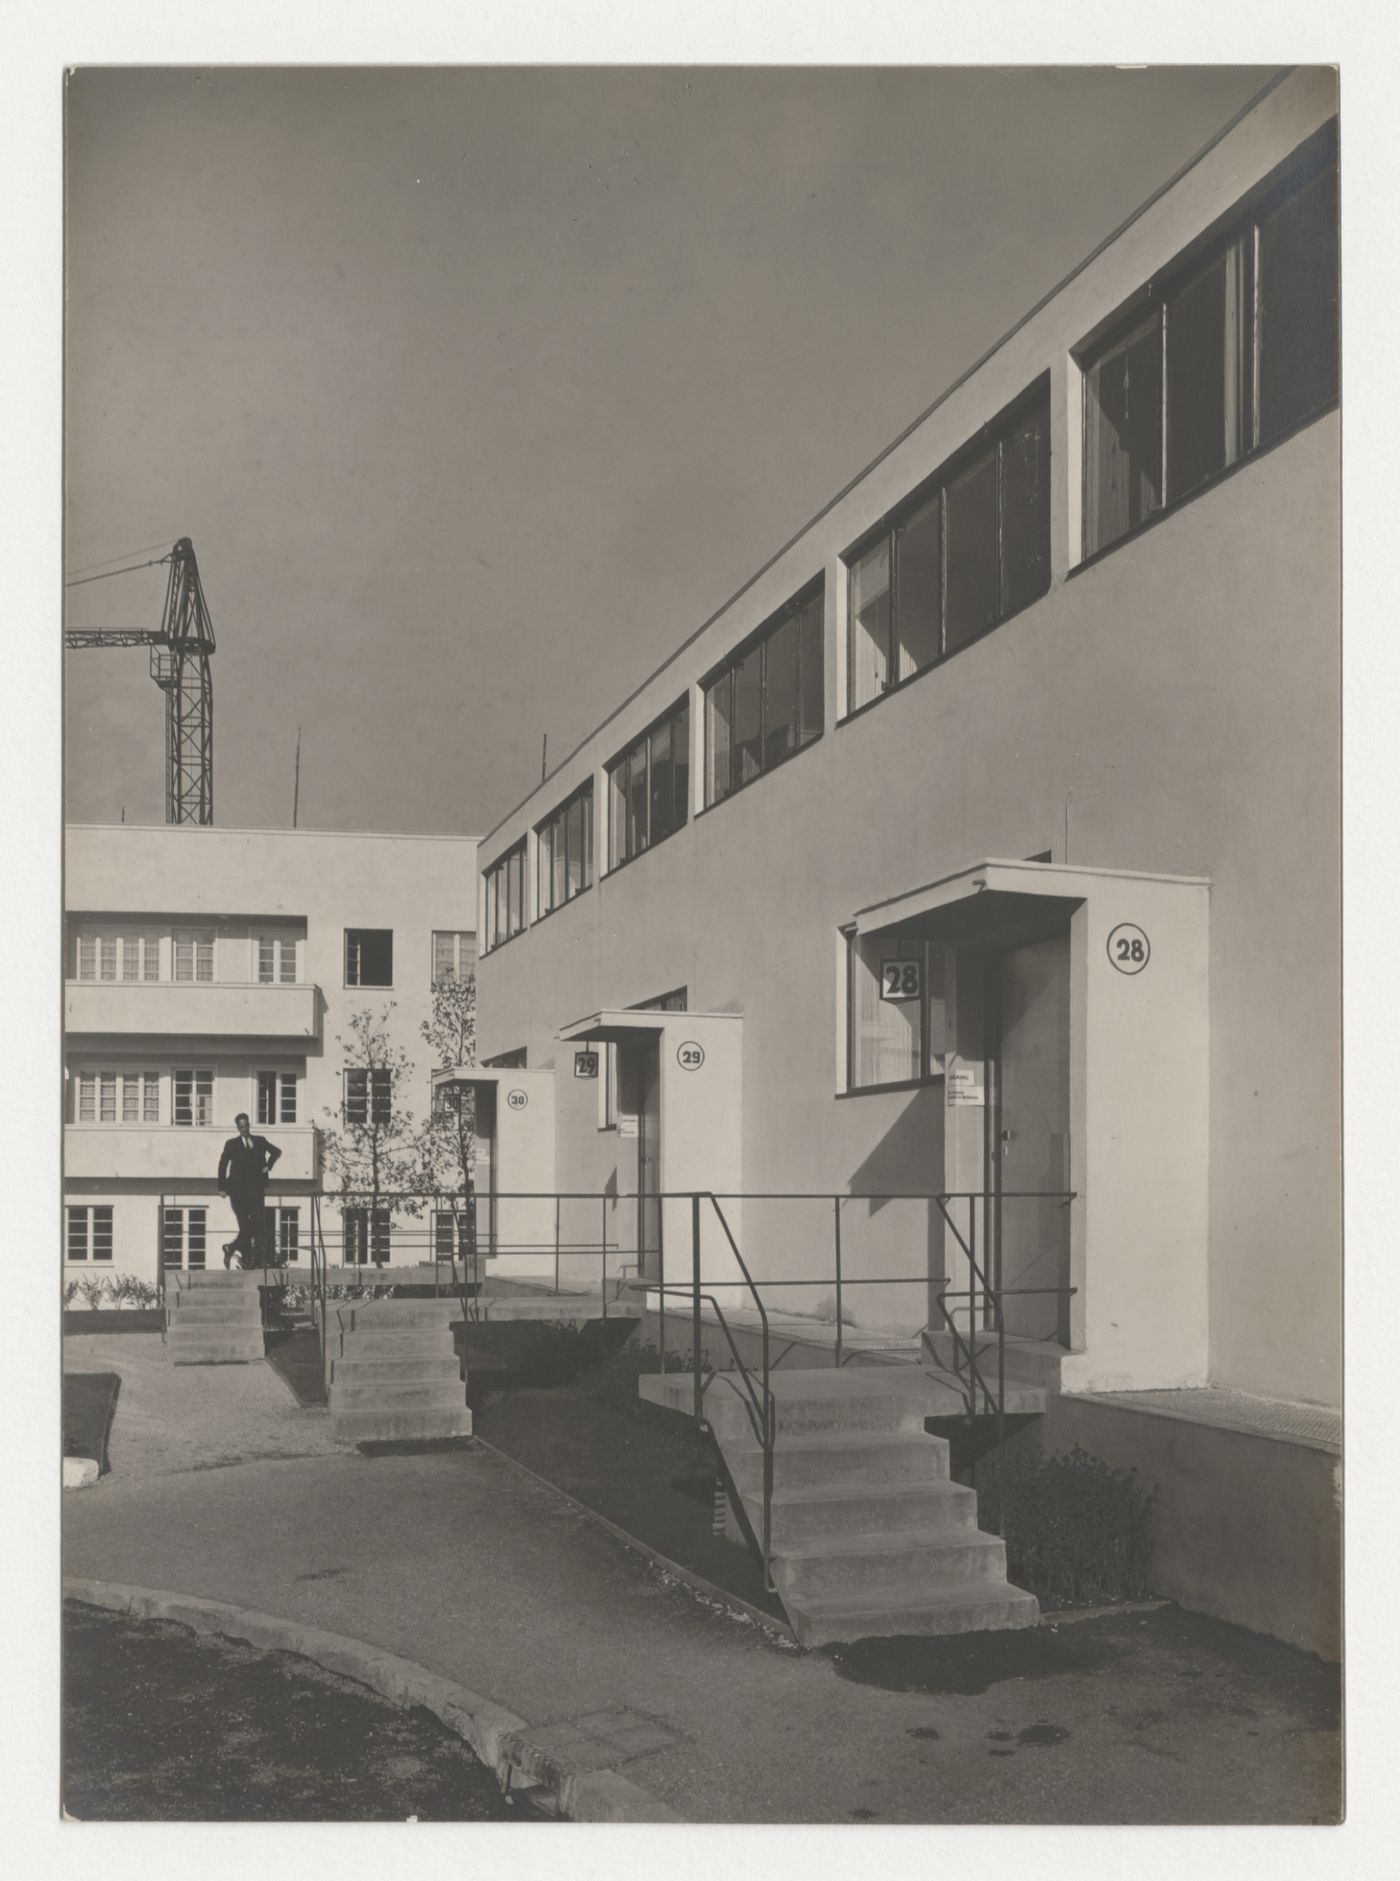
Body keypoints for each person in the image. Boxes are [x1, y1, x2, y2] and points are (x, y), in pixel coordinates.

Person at [217, 1113, 282, 1269]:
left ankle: (233, 1249)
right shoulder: (231, 1144)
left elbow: (276, 1151)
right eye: (242, 1127)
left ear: (249, 1125)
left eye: (246, 1126)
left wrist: (268, 1165)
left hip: (256, 1192)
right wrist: (222, 1187)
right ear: (238, 1128)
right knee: (245, 1227)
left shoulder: (259, 1141)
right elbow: (222, 1165)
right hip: (237, 1193)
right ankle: (247, 1260)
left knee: (258, 1225)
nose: (245, 1129)